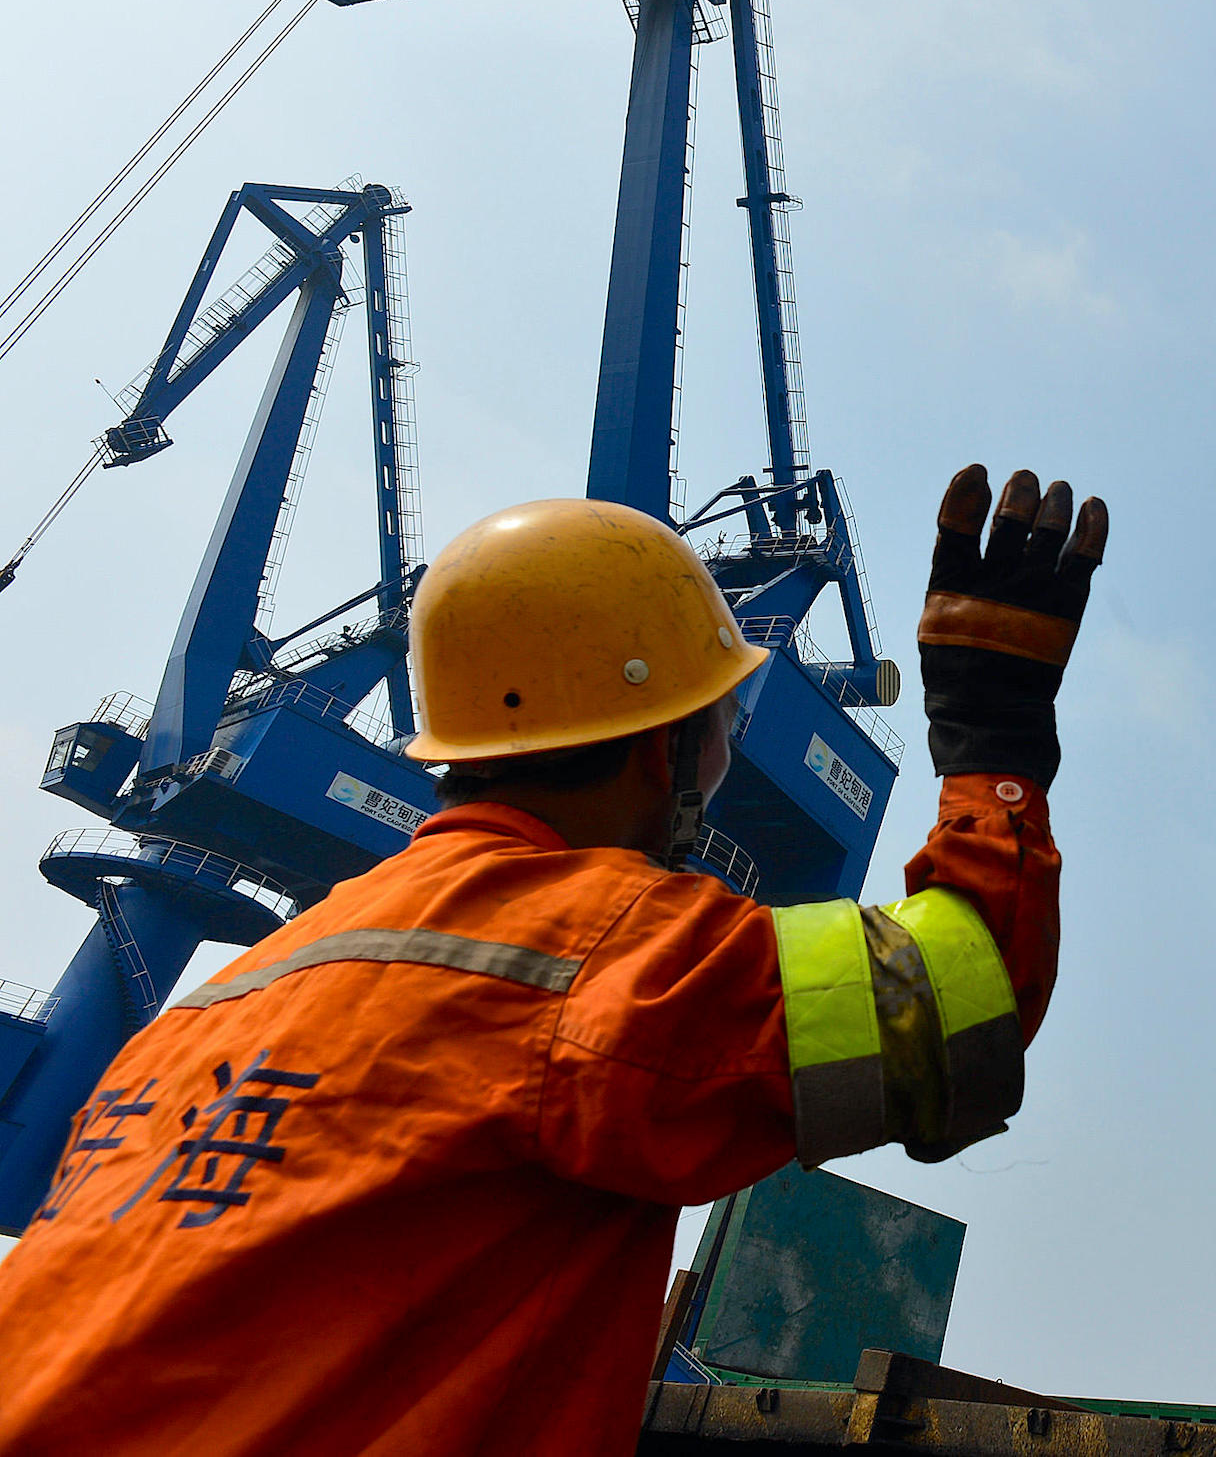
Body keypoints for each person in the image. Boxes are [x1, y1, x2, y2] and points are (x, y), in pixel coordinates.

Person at [0, 464, 1106, 1456]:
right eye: (718, 715)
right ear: (667, 743)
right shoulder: (605, 948)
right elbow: (962, 1002)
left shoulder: (252, 983)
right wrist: (991, 749)